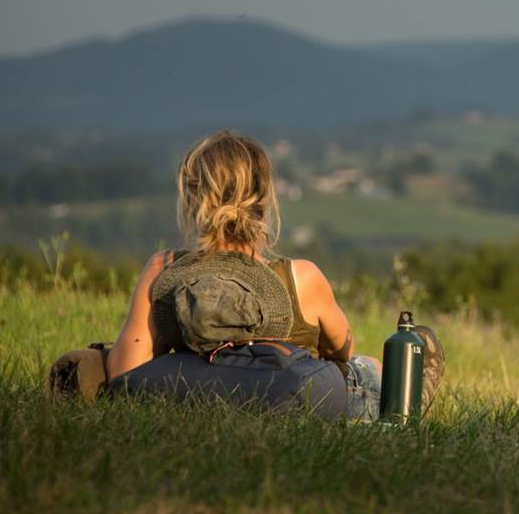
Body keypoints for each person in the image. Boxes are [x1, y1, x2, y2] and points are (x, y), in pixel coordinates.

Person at [104, 130, 384, 421]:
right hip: (287, 399)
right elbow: (342, 349)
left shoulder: (163, 269)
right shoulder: (302, 278)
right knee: (371, 368)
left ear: (192, 198)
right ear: (263, 198)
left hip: (199, 391)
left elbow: (125, 373)